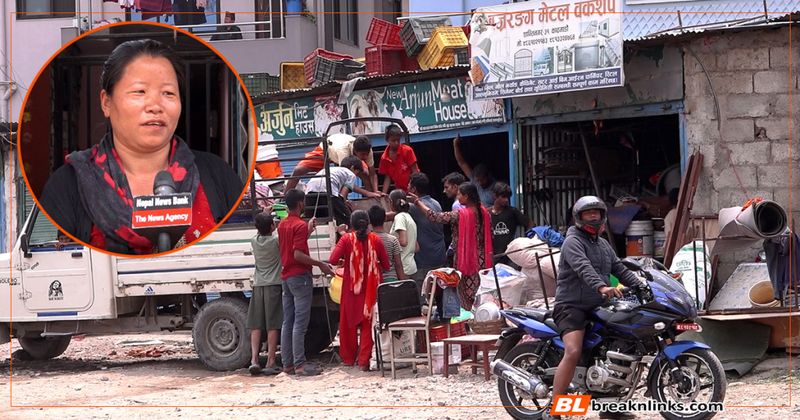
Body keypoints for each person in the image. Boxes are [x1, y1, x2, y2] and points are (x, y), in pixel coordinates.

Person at [40, 39, 243, 255]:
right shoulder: (68, 184)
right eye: (140, 92)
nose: (155, 106)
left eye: (168, 93)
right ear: (106, 102)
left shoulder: (216, 175)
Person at [547, 196, 642, 420]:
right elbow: (583, 267)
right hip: (571, 305)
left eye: (596, 214)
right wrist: (601, 286)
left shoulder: (602, 244)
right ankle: (555, 411)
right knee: (573, 351)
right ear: (578, 218)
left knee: (620, 346)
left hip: (599, 305)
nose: (593, 218)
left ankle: (609, 407)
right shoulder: (572, 242)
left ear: (602, 216)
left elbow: (620, 268)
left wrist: (642, 285)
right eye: (588, 214)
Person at [278, 189, 335, 376]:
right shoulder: (299, 225)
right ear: (301, 204)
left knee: (288, 321)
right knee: (300, 323)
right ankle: (300, 364)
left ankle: (287, 364)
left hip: (286, 276)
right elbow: (298, 254)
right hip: (300, 277)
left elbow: (293, 247)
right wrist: (321, 265)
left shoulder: (283, 225)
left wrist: (309, 230)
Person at [409, 183, 493, 309]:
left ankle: (468, 323)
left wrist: (417, 202)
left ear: (467, 196)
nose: (457, 197)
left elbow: (435, 216)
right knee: (480, 294)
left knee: (466, 296)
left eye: (459, 194)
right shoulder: (485, 213)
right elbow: (491, 236)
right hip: (482, 261)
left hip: (467, 261)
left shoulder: (460, 215)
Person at [329, 210, 390, 371]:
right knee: (368, 325)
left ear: (352, 224)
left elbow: (333, 259)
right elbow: (386, 265)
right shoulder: (375, 240)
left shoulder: (346, 239)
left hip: (351, 291)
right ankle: (364, 361)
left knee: (348, 324)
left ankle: (349, 359)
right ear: (368, 222)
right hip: (372, 289)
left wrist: (348, 259)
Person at [247, 212, 282, 376]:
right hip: (273, 285)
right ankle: (270, 361)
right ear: (272, 227)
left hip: (258, 285)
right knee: (272, 325)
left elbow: (260, 229)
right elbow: (281, 234)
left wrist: (265, 216)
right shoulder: (276, 241)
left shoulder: (254, 241)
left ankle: (254, 360)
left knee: (256, 325)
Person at [304, 155, 382, 226]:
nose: (356, 176)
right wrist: (344, 204)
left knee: (314, 222)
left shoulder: (334, 170)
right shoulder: (350, 174)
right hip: (327, 194)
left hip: (309, 194)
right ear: (352, 167)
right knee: (348, 221)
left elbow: (350, 187)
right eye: (357, 174)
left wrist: (368, 193)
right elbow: (342, 196)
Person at [286, 134, 378, 192]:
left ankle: (373, 199)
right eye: (362, 155)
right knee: (299, 170)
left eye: (366, 154)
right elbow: (345, 178)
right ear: (355, 151)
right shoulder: (343, 151)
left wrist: (376, 191)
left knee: (365, 173)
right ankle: (284, 198)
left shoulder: (367, 151)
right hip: (327, 150)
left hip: (343, 154)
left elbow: (373, 174)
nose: (365, 157)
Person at [407, 173, 446, 294]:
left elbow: (393, 214)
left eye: (409, 184)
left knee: (423, 297)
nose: (407, 186)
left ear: (413, 189)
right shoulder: (436, 203)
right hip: (439, 256)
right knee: (438, 295)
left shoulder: (414, 207)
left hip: (424, 259)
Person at [490, 182, 533, 267]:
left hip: (511, 257)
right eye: (503, 197)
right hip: (494, 257)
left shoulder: (512, 212)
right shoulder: (487, 214)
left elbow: (530, 223)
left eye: (508, 197)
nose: (506, 200)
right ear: (495, 196)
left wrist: (525, 240)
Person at [453, 134, 497, 206]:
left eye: (482, 180)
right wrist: (455, 144)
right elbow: (462, 163)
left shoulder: (497, 188)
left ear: (489, 176)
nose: (479, 183)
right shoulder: (475, 182)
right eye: (478, 180)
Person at [368, 205, 406, 282]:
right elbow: (398, 264)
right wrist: (403, 283)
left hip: (373, 280)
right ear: (385, 218)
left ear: (369, 220)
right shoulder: (393, 240)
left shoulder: (367, 240)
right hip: (391, 279)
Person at [380, 125, 419, 194]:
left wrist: (413, 189)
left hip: (414, 190)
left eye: (398, 140)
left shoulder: (407, 151)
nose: (396, 143)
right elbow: (387, 177)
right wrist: (384, 194)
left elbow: (415, 172)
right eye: (393, 140)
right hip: (400, 192)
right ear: (387, 140)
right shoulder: (384, 158)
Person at [389, 190, 418, 282]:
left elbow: (403, 242)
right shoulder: (409, 217)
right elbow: (416, 247)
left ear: (392, 202)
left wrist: (388, 240)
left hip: (402, 267)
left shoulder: (399, 217)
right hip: (411, 265)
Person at [441, 171, 466, 266]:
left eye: (446, 187)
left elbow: (459, 230)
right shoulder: (472, 203)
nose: (444, 191)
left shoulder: (457, 205)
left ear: (455, 187)